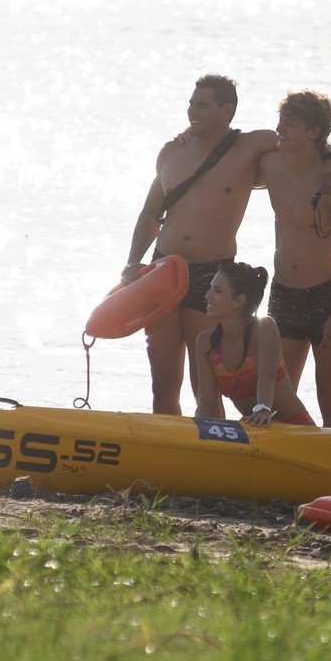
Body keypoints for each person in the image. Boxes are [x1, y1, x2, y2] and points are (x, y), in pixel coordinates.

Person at [119, 75, 281, 415]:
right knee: (162, 381)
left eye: (203, 105)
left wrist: (328, 158)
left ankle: (215, 454)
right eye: (192, 103)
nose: (193, 111)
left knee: (204, 383)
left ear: (227, 110)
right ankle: (166, 462)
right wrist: (133, 263)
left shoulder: (250, 146)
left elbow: (304, 143)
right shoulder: (172, 151)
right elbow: (151, 212)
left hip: (211, 274)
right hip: (163, 269)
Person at [257, 90, 331, 433]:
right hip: (284, 294)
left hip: (329, 297)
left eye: (290, 124)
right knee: (278, 394)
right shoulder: (269, 165)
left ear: (313, 132)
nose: (280, 129)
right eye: (280, 121)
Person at [192, 262, 317, 427]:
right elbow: (207, 403)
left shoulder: (263, 328)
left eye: (217, 291)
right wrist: (196, 430)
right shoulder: (205, 342)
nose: (207, 295)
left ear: (239, 300)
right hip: (255, 429)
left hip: (295, 427)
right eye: (210, 289)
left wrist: (263, 408)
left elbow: (267, 376)